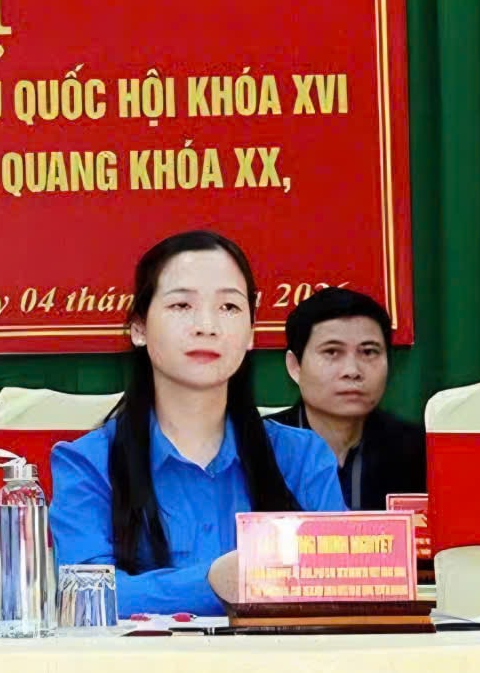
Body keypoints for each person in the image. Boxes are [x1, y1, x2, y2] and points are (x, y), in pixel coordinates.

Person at [50, 231, 345, 616]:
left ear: (251, 333)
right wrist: (212, 583)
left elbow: (339, 583)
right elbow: (81, 596)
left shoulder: (303, 458)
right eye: (181, 305)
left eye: (229, 307)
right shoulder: (87, 462)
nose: (207, 325)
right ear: (139, 328)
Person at [274, 287, 426, 510]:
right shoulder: (259, 448)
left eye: (369, 352)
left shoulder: (420, 452)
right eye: (332, 352)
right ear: (295, 366)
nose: (352, 371)